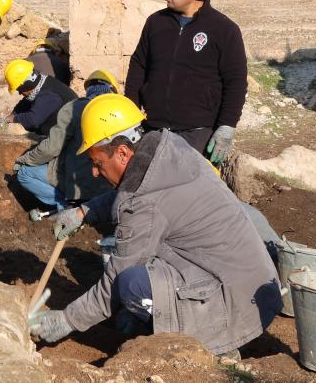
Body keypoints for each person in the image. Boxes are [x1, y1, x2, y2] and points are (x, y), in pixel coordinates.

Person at [29, 94, 281, 356]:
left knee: (130, 284)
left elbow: (114, 281)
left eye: (97, 164)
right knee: (143, 271)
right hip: (252, 283)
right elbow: (135, 190)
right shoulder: (167, 150)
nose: (94, 172)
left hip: (236, 306)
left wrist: (68, 320)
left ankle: (212, 344)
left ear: (123, 152)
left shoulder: (144, 206)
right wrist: (83, 211)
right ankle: (160, 318)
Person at [124, 0, 247, 167]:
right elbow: (139, 64)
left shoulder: (224, 30)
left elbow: (235, 82)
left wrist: (226, 126)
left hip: (197, 135)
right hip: (153, 130)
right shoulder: (156, 23)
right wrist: (131, 112)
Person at [12, 69, 117, 211]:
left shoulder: (76, 108)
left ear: (88, 90)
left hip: (77, 184)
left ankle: (65, 206)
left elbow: (51, 148)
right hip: (111, 186)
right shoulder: (124, 113)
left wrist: (25, 160)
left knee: (25, 173)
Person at [2, 59, 77, 136]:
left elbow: (33, 120)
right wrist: (14, 113)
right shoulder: (43, 83)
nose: (20, 93)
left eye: (19, 89)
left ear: (26, 85)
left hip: (68, 139)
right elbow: (26, 101)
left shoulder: (48, 95)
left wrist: (13, 119)